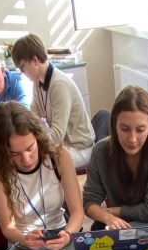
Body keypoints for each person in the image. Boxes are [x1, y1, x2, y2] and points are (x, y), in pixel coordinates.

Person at [0, 101, 84, 250]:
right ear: (1, 151)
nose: (26, 160)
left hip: (60, 232)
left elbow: (77, 212)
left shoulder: (59, 156)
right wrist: (23, 240)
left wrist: (68, 234)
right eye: (14, 154)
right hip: (22, 238)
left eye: (30, 148)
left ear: (37, 138)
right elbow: (8, 227)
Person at [83, 85, 148, 229]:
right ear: (114, 124)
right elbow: (89, 201)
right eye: (125, 129)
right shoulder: (100, 151)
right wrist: (108, 217)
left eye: (140, 130)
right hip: (122, 225)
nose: (132, 139)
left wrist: (115, 211)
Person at [11, 33, 95, 168]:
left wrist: (32, 144)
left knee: (38, 164)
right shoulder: (38, 81)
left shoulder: (59, 85)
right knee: (23, 159)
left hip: (80, 149)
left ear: (35, 60)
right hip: (62, 146)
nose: (22, 72)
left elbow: (56, 136)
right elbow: (32, 118)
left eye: (22, 67)